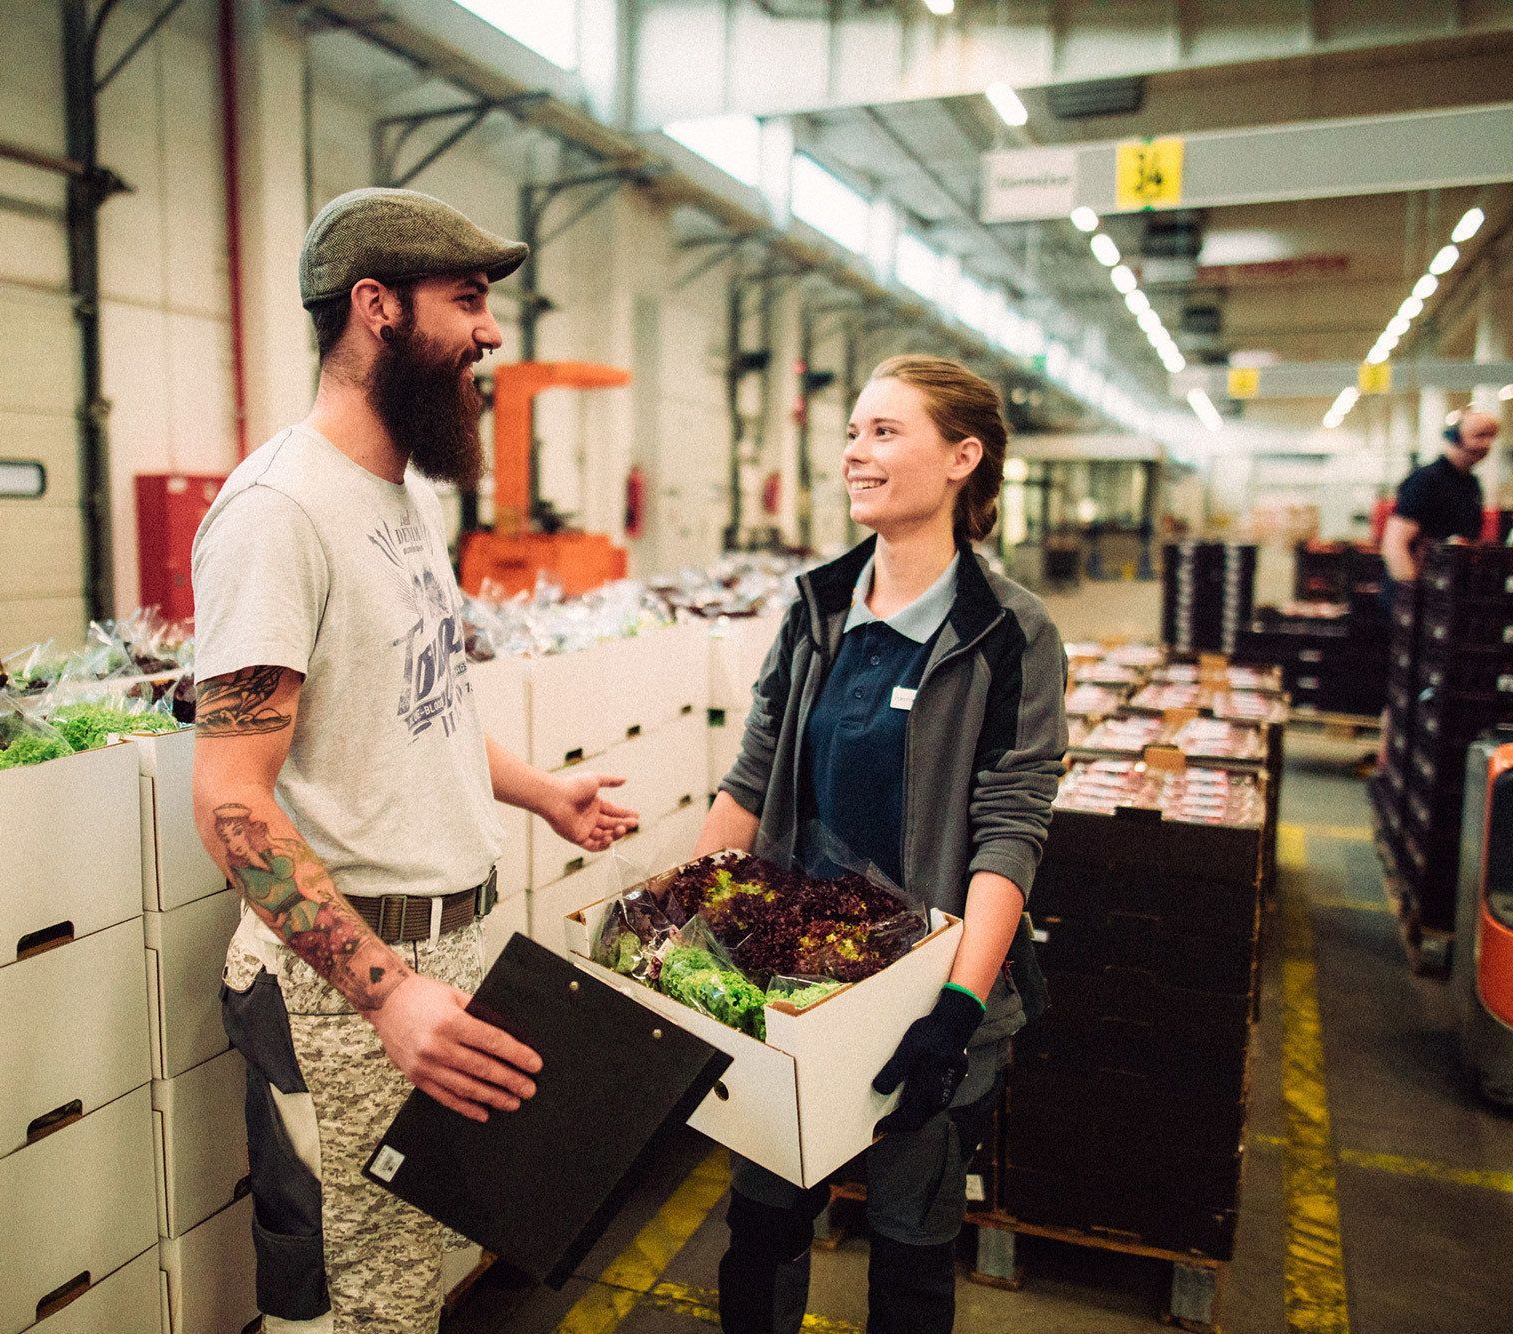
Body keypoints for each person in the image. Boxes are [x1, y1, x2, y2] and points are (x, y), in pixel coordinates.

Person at [190, 187, 639, 1334]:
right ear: (374, 306)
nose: (491, 334)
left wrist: (540, 791)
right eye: (469, 302)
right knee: (349, 1301)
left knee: (412, 1280)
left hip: (450, 952)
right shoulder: (277, 513)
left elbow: (409, 706)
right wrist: (387, 997)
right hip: (349, 983)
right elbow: (232, 800)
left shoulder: (390, 495)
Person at [694, 355, 1068, 1334]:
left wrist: (955, 1007)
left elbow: (1008, 828)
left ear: (961, 457)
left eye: (884, 431)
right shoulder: (816, 606)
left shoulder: (1007, 634)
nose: (856, 452)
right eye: (852, 431)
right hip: (791, 972)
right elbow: (751, 772)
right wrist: (682, 933)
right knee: (762, 1225)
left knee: (907, 1244)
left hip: (921, 987)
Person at [1381, 409, 1497, 592]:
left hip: (1447, 591)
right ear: (1454, 437)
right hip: (1420, 598)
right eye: (1479, 436)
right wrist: (1414, 598)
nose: (1487, 444)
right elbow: (1395, 544)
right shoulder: (1426, 480)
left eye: (1491, 437)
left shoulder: (1471, 484)